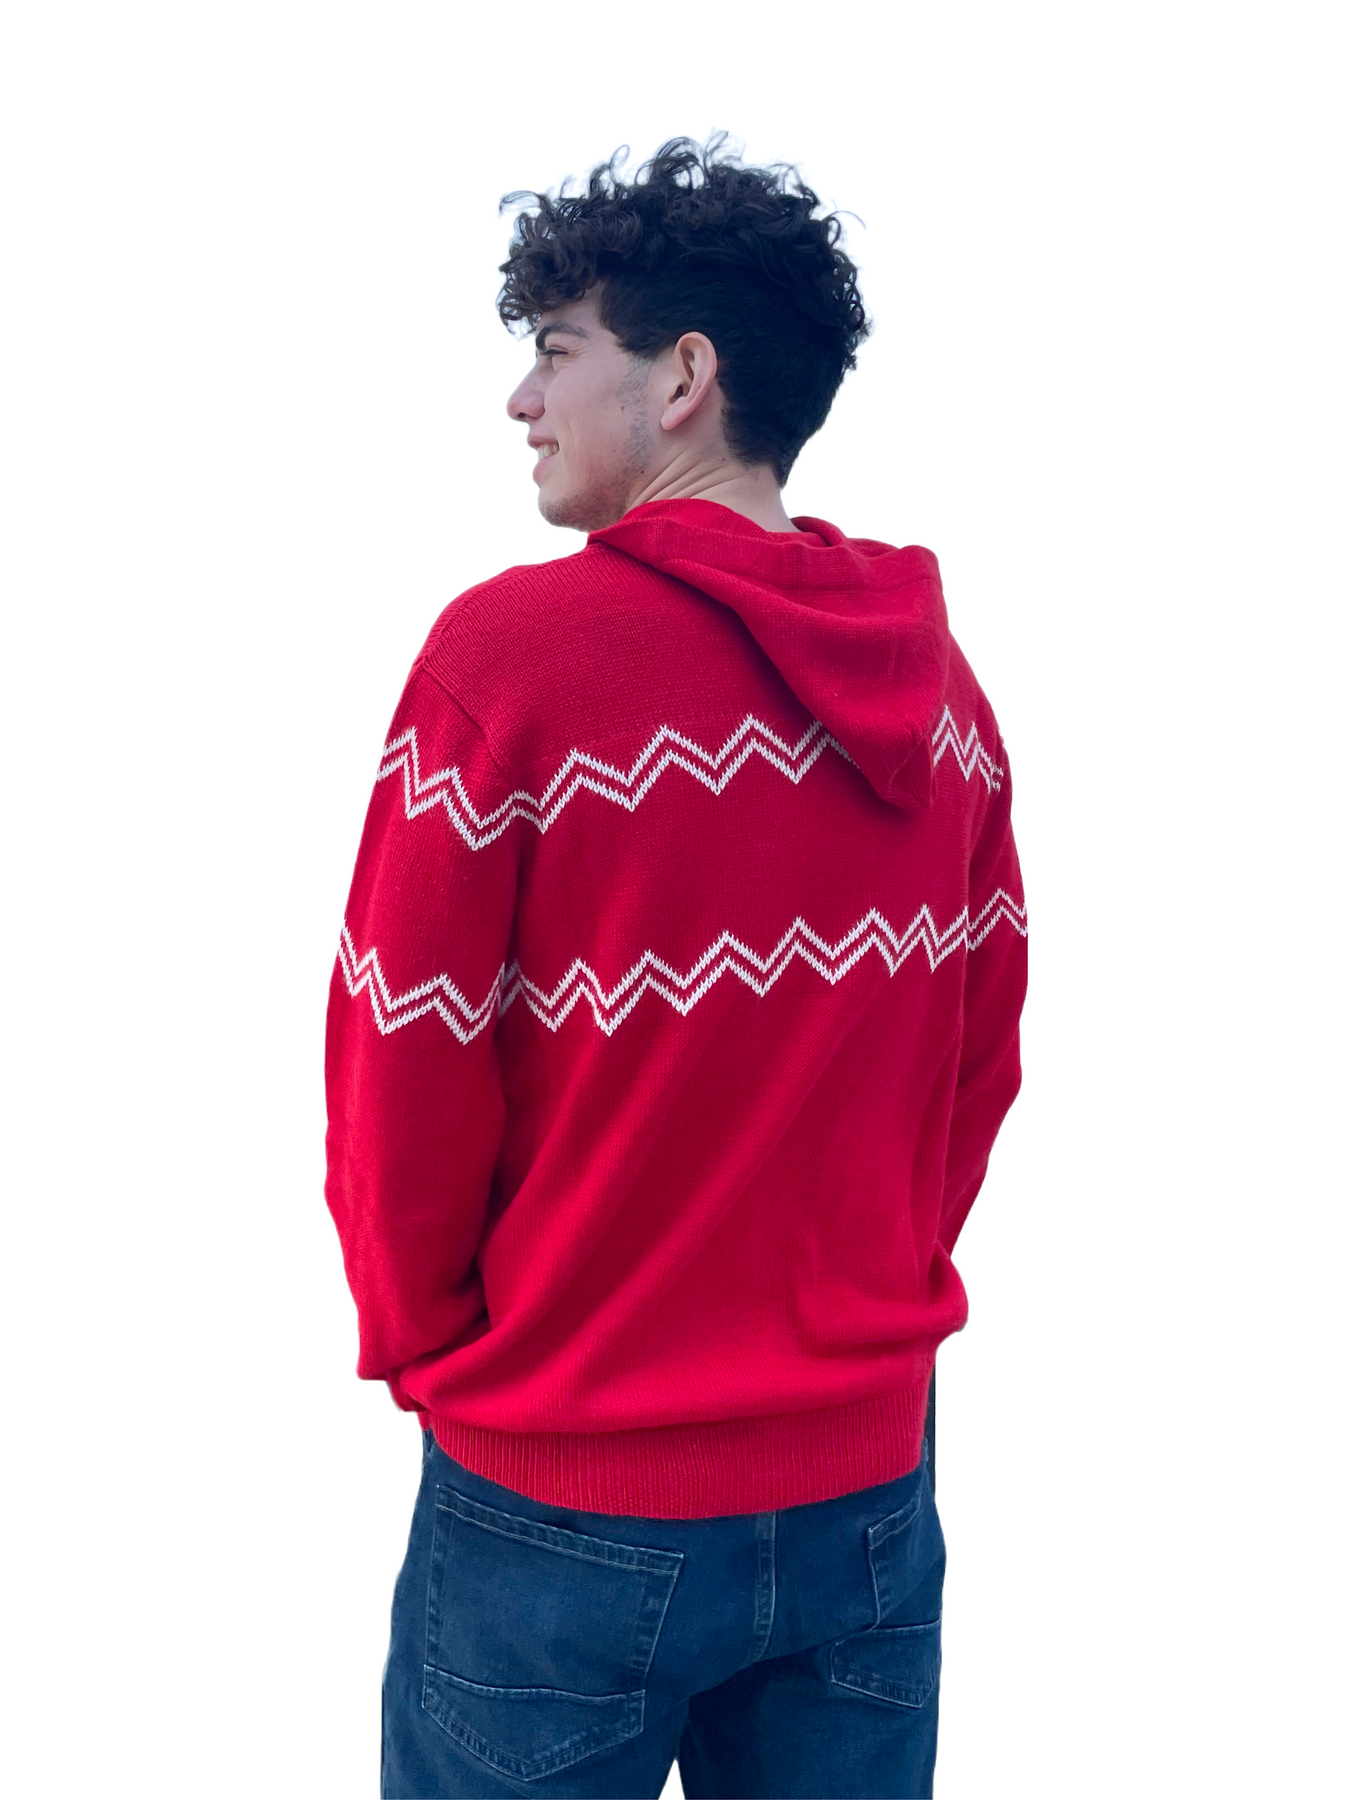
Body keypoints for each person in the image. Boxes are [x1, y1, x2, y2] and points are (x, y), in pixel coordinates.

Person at [325, 135, 1027, 1800]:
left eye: (558, 349)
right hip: (863, 1487)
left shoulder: (512, 660)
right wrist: (856, 1311)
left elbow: (401, 1055)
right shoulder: (939, 696)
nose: (522, 399)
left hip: (563, 1488)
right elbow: (977, 1057)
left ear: (683, 376)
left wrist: (443, 1358)